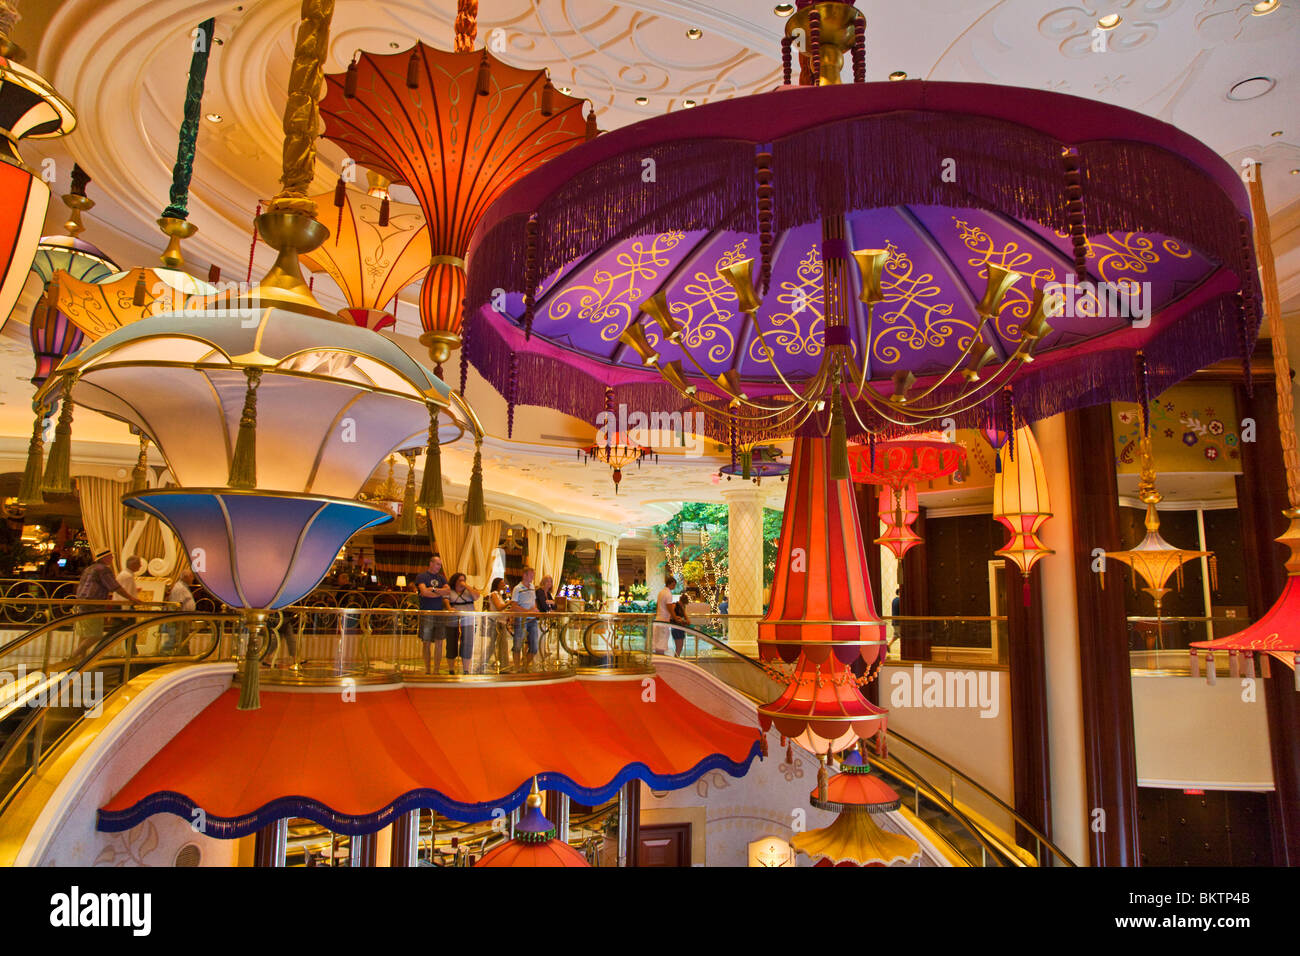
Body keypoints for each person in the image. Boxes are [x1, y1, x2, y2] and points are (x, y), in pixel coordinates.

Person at [66, 550, 136, 663]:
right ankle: (73, 657)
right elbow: (115, 587)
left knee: (84, 634)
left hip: (81, 604)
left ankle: (80, 661)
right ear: (105, 558)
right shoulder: (103, 570)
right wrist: (131, 598)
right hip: (93, 605)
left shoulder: (89, 568)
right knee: (95, 635)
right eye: (110, 556)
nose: (112, 558)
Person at [415, 555, 451, 675]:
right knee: (426, 642)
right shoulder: (422, 576)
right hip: (426, 612)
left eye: (440, 565)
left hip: (439, 613)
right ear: (431, 563)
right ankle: (428, 669)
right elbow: (424, 592)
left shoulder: (442, 578)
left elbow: (447, 591)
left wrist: (433, 590)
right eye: (437, 564)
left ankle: (436, 669)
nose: (439, 567)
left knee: (439, 642)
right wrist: (438, 592)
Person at [445, 573, 479, 675]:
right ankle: (451, 669)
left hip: (468, 620)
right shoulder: (449, 591)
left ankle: (466, 669)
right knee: (451, 643)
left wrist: (467, 586)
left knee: (467, 643)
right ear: (455, 581)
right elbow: (446, 600)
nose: (462, 582)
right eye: (459, 580)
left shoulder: (469, 591)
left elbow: (476, 597)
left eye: (463, 580)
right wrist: (449, 608)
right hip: (453, 620)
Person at [160, 568, 196, 655]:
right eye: (191, 576)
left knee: (182, 639)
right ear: (185, 577)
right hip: (181, 619)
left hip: (184, 618)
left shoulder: (183, 587)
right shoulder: (180, 588)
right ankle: (179, 657)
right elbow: (177, 605)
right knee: (179, 639)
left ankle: (183, 656)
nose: (193, 579)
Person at [511, 567, 540, 671]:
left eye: (533, 575)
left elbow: (534, 601)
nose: (532, 577)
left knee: (534, 647)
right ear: (525, 575)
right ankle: (517, 668)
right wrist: (527, 611)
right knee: (518, 644)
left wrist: (535, 609)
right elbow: (513, 606)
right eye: (531, 575)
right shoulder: (517, 588)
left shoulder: (532, 587)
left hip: (532, 620)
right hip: (521, 619)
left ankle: (524, 666)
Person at [485, 577, 513, 670]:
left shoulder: (500, 595)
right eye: (502, 583)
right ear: (497, 584)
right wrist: (509, 603)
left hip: (502, 621)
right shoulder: (494, 594)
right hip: (496, 622)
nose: (504, 585)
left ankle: (503, 665)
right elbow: (499, 607)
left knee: (502, 645)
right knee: (494, 645)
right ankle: (484, 663)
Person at [653, 575, 676, 655]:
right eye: (674, 585)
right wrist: (675, 618)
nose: (674, 586)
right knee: (662, 641)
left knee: (657, 640)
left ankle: (658, 657)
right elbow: (669, 608)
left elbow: (658, 606)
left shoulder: (661, 592)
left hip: (658, 618)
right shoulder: (668, 594)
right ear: (670, 584)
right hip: (664, 620)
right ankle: (660, 657)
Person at [670, 591, 692, 658]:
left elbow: (687, 619)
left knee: (680, 646)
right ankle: (676, 660)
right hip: (676, 628)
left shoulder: (682, 607)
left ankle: (676, 659)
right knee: (679, 646)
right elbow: (671, 616)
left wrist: (685, 620)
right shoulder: (675, 605)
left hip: (680, 628)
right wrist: (678, 618)